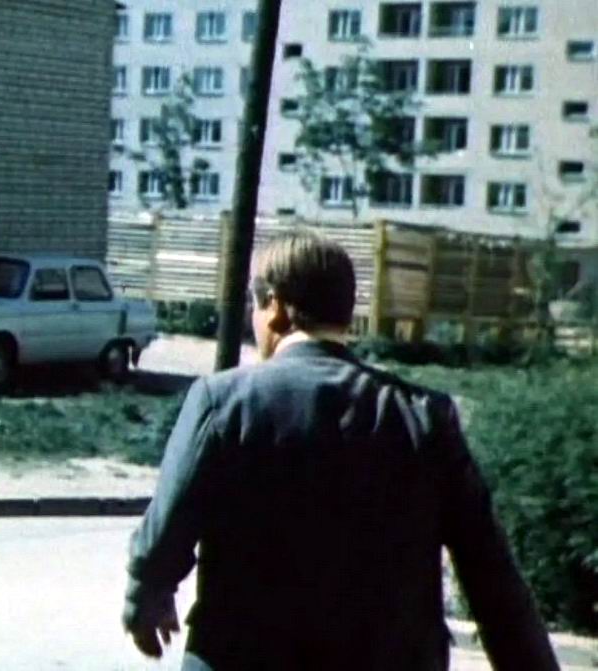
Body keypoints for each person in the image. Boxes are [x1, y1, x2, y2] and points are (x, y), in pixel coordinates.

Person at [123, 232, 560, 670]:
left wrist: (145, 598)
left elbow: (167, 527)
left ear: (274, 307)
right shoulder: (424, 416)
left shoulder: (224, 402)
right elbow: (491, 573)